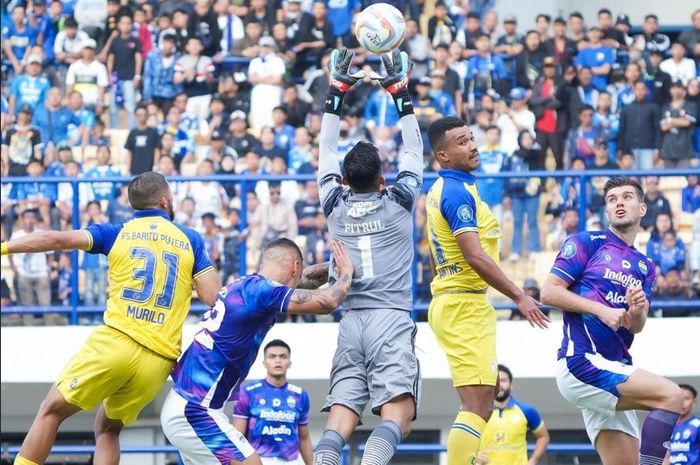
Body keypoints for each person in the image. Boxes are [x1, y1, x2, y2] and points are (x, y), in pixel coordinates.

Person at [2, 172, 222, 465]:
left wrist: (3, 247)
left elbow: (55, 238)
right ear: (165, 200)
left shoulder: (117, 232)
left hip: (117, 341)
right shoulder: (190, 239)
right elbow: (213, 299)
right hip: (159, 360)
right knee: (107, 428)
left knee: (51, 411)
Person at [312, 48, 423, 465]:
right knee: (399, 417)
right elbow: (413, 150)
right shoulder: (398, 201)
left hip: (351, 322)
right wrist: (400, 93)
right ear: (382, 177)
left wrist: (336, 92)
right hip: (390, 318)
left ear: (343, 179)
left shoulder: (333, 203)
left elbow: (325, 149)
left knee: (339, 421)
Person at [161, 239, 353, 465]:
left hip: (189, 405)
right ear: (294, 266)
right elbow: (326, 302)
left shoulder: (247, 286)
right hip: (196, 410)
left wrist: (333, 265)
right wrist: (348, 272)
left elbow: (304, 281)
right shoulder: (262, 292)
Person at [424, 115, 548, 465]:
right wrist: (519, 296)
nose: (473, 145)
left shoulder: (447, 188)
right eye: (462, 141)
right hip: (463, 306)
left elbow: (436, 254)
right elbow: (475, 255)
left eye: (472, 138)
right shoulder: (456, 193)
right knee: (478, 406)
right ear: (443, 155)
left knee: (479, 398)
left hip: (456, 302)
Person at [541, 177, 685, 465]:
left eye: (627, 196)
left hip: (614, 367)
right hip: (582, 362)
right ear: (607, 211)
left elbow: (637, 326)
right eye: (612, 198)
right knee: (673, 396)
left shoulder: (646, 265)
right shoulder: (586, 243)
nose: (619, 202)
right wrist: (600, 310)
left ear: (643, 208)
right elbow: (549, 292)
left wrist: (638, 310)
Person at [233, 339, 314, 465]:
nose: (278, 360)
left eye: (283, 357)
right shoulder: (247, 392)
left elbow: (303, 438)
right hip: (259, 460)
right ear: (264, 363)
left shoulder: (300, 395)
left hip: (291, 461)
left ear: (290, 363)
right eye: (272, 357)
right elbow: (238, 436)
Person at [476, 364, 550, 465]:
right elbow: (464, 437)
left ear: (511, 385)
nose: (499, 385)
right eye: (496, 381)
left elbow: (543, 437)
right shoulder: (478, 411)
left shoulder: (527, 410)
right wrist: (474, 454)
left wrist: (533, 460)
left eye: (503, 381)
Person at [663, 384, 699, 465]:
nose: (682, 402)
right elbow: (666, 456)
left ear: (694, 402)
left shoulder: (697, 426)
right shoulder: (668, 427)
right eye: (679, 398)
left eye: (686, 398)